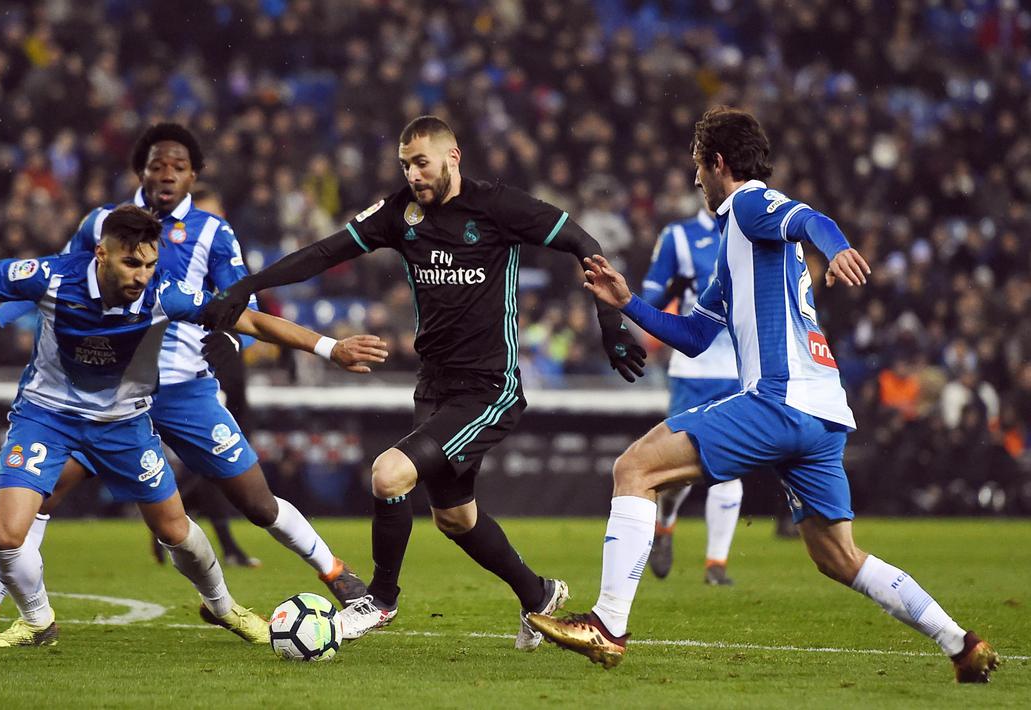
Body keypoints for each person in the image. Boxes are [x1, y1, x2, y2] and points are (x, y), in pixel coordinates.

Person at [528, 107, 1000, 684]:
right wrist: (627, 303)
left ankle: (607, 624)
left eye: (698, 168)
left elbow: (808, 218)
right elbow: (698, 336)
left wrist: (841, 247)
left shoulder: (750, 203)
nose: (696, 180)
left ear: (717, 163)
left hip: (780, 398)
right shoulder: (737, 243)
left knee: (635, 467)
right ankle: (961, 643)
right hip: (823, 412)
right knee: (838, 557)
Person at [202, 115, 648, 647]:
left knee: (388, 474)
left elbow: (583, 241)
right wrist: (248, 285)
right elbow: (324, 253)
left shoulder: (498, 206)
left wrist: (609, 320)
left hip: (489, 387)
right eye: (404, 164)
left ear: (452, 157)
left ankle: (380, 601)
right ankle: (539, 596)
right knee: (456, 519)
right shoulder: (399, 213)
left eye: (421, 162)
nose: (413, 174)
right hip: (434, 387)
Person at [0, 124, 373, 640]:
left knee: (255, 499)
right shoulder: (102, 224)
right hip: (103, 395)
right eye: (158, 165)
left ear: (193, 175)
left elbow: (244, 310)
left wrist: (234, 345)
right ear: (141, 170)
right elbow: (53, 281)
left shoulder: (213, 231)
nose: (166, 175)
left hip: (184, 389)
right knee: (35, 500)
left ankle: (335, 572)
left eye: (178, 167)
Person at [640, 209, 743, 585]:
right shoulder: (678, 235)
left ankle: (716, 565)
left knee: (730, 468)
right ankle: (664, 524)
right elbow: (651, 290)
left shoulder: (753, 229)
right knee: (679, 472)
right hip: (692, 372)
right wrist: (663, 295)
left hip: (739, 371)